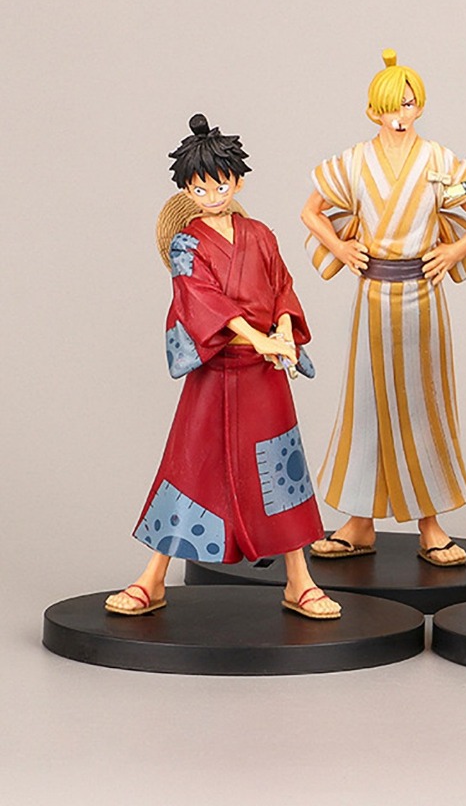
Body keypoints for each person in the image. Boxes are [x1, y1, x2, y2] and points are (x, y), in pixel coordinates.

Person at [105, 114, 340, 619]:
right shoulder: (186, 244)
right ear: (187, 191)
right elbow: (203, 302)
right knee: (190, 468)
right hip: (216, 372)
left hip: (264, 375)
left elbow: (282, 286)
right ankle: (153, 578)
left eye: (220, 184)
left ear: (238, 182)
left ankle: (299, 580)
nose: (212, 195)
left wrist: (282, 330)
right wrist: (257, 337)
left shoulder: (261, 235)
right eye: (200, 187)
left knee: (282, 473)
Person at [302, 50, 466, 566]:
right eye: (392, 106)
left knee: (423, 405)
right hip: (372, 297)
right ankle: (358, 521)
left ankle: (430, 524)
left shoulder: (438, 160)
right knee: (365, 407)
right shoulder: (354, 161)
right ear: (373, 110)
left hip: (423, 299)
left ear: (421, 106)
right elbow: (311, 211)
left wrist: (453, 251)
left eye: (409, 104)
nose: (401, 114)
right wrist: (341, 247)